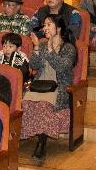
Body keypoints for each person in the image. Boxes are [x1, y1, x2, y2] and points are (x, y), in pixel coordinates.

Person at [22, 15, 77, 162]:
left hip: (59, 88)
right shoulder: (43, 44)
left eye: (48, 25)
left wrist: (51, 49)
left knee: (43, 106)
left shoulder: (68, 48)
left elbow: (62, 66)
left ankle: (41, 144)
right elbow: (34, 65)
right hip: (39, 85)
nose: (45, 28)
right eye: (44, 25)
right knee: (25, 104)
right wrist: (36, 47)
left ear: (58, 28)